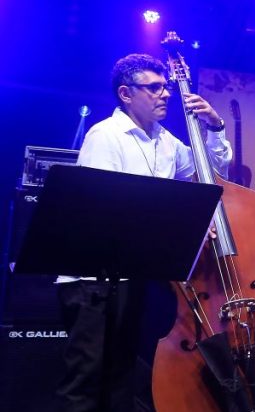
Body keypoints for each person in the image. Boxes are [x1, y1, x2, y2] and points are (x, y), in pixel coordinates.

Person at [57, 53, 231, 411]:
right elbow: (101, 207)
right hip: (91, 280)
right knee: (85, 383)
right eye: (153, 88)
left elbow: (209, 168)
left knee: (121, 380)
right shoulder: (105, 136)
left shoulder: (164, 141)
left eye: (165, 86)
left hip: (130, 277)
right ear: (126, 93)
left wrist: (214, 127)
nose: (165, 94)